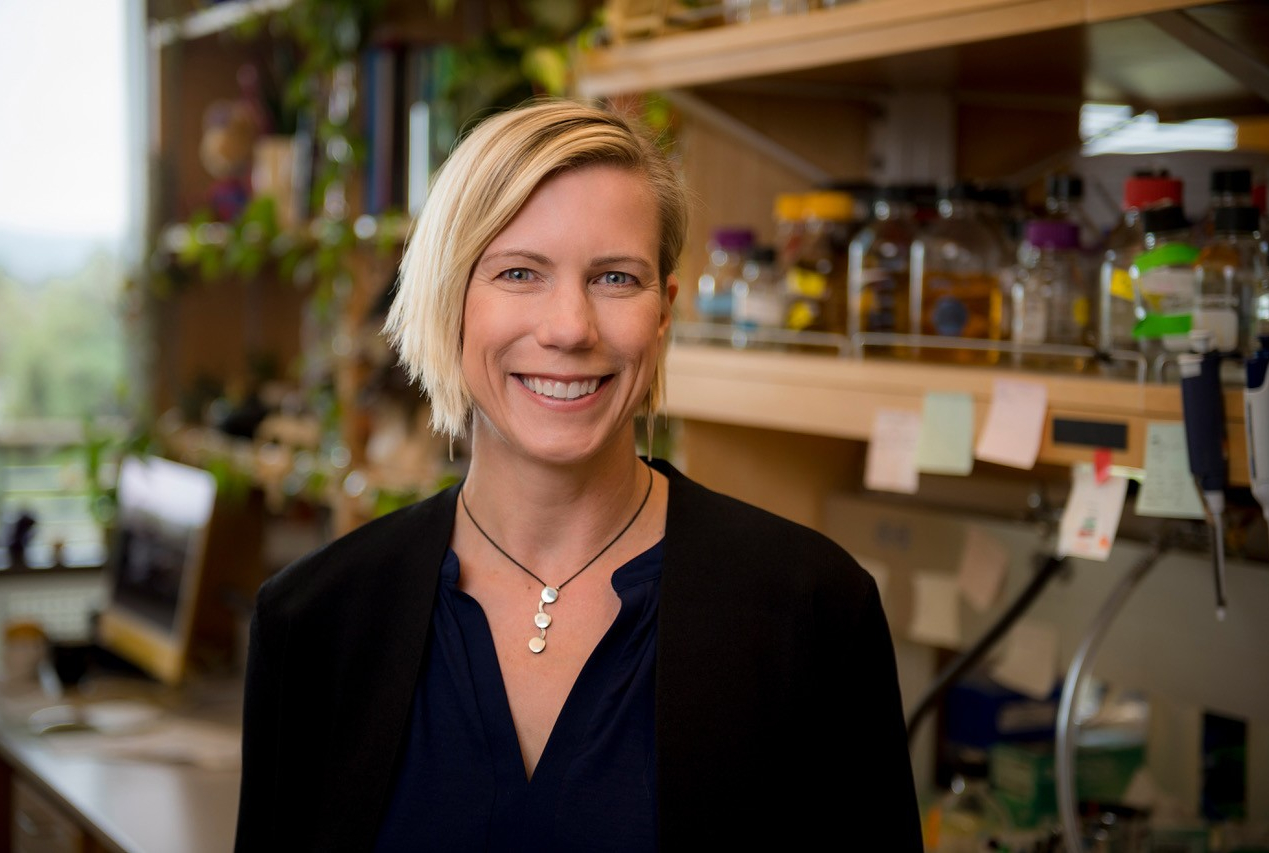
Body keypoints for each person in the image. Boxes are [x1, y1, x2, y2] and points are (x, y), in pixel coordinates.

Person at [235, 98, 923, 851]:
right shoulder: (316, 620)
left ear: (662, 315)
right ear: (451, 299)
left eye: (615, 279)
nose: (569, 327)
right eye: (520, 272)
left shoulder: (812, 611)